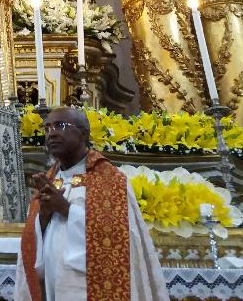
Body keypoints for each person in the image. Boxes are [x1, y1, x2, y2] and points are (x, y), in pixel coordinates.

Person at [14, 107, 168, 301]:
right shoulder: (48, 181)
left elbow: (118, 238)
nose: (51, 133)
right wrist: (43, 216)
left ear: (83, 134)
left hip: (89, 285)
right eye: (47, 128)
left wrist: (66, 209)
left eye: (60, 126)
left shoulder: (109, 179)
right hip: (51, 285)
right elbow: (33, 245)